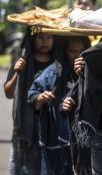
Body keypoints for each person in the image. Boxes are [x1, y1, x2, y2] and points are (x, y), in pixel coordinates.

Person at [27, 36, 90, 174]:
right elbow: (32, 95)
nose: (77, 56)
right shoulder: (53, 72)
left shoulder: (94, 73)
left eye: (82, 51)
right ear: (64, 51)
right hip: (56, 143)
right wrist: (40, 97)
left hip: (85, 144)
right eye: (72, 51)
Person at [4, 32, 55, 174]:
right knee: (22, 166)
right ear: (32, 40)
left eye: (49, 37)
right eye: (40, 37)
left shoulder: (58, 63)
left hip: (52, 126)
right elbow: (8, 93)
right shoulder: (23, 61)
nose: (45, 41)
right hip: (26, 127)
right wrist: (17, 73)